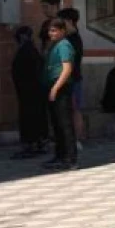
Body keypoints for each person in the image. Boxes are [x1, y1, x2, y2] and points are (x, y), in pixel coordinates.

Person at [43, 18, 78, 170]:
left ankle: (70, 158)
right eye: (50, 30)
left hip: (61, 87)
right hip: (53, 85)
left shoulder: (64, 45)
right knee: (57, 124)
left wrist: (56, 88)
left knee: (65, 124)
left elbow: (67, 69)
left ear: (62, 31)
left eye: (54, 30)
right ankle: (60, 155)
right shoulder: (54, 45)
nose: (51, 33)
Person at [11, 26, 48, 158]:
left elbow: (29, 71)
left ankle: (32, 143)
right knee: (35, 116)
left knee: (30, 117)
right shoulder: (31, 50)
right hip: (31, 91)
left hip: (30, 91)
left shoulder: (28, 51)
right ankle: (37, 142)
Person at [58, 8, 86, 148]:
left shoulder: (73, 40)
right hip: (72, 79)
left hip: (72, 79)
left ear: (69, 21)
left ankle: (76, 140)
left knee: (74, 110)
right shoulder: (70, 38)